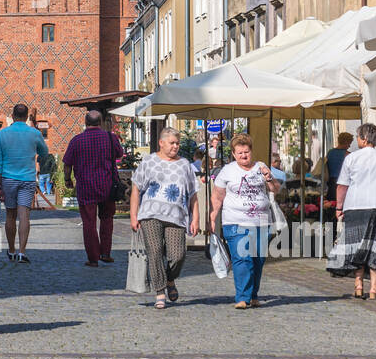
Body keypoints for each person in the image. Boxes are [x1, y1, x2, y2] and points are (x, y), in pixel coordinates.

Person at [327, 123, 376, 299]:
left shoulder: (351, 158)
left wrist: (339, 206)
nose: (357, 140)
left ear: (364, 139)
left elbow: (342, 186)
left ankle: (358, 285)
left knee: (356, 244)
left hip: (354, 205)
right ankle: (374, 288)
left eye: (358, 136)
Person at [130, 127, 200, 309]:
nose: (175, 146)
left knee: (178, 255)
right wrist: (133, 215)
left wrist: (195, 218)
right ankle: (160, 291)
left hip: (176, 215)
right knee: (154, 251)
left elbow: (193, 194)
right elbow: (136, 189)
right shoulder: (149, 161)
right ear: (161, 143)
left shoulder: (185, 165)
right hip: (149, 214)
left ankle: (170, 279)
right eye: (172, 143)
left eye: (177, 143)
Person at [212, 133, 280, 309]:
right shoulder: (227, 171)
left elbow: (275, 190)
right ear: (234, 154)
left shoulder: (261, 167)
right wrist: (212, 217)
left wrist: (269, 178)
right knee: (243, 258)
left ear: (251, 151)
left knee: (258, 260)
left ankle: (253, 294)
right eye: (240, 153)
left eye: (246, 152)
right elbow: (217, 197)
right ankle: (242, 297)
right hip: (235, 221)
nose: (244, 155)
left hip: (262, 221)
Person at [62, 110, 124, 267]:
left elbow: (67, 163)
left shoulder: (76, 140)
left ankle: (93, 258)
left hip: (86, 186)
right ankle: (105, 253)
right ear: (101, 122)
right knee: (107, 219)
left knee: (89, 223)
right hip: (108, 185)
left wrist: (67, 179)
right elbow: (119, 154)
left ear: (86, 122)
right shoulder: (111, 138)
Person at [0, 103, 50, 264]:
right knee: (24, 215)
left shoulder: (2, 135)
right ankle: (22, 252)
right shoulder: (34, 133)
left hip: (8, 179)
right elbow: (44, 152)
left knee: (10, 215)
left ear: (13, 115)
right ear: (25, 117)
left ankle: (11, 250)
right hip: (27, 179)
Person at [324, 132, 353, 201]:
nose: (349, 146)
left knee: (331, 206)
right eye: (349, 143)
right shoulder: (348, 155)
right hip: (343, 184)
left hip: (330, 184)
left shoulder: (330, 153)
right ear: (345, 142)